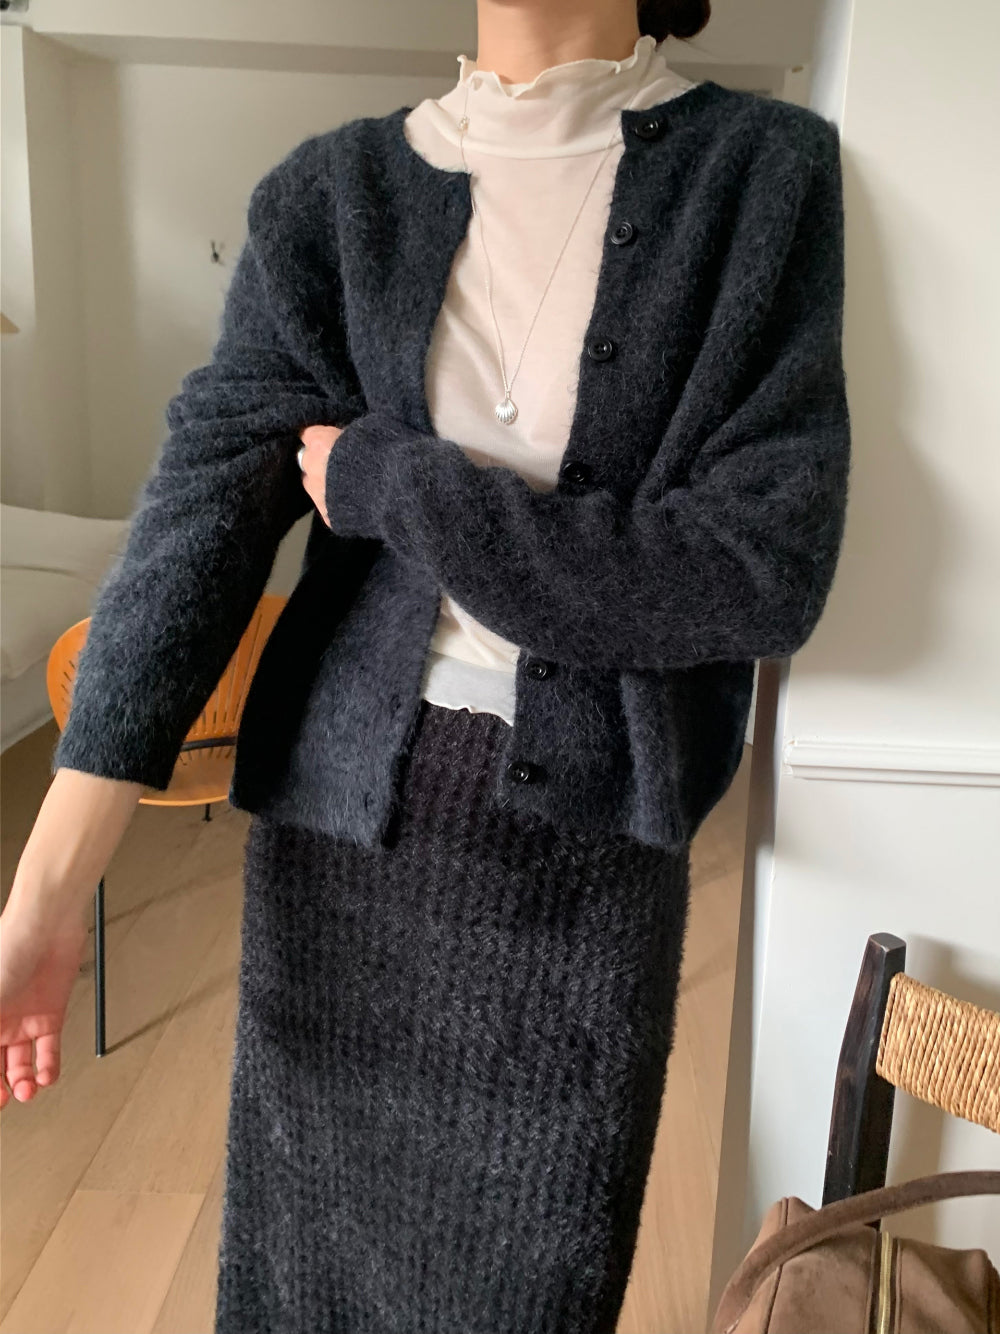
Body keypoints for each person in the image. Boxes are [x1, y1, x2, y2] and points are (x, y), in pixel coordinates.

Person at [1, 1, 851, 1330]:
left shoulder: (759, 177)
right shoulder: (331, 197)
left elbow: (755, 570)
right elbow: (196, 527)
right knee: (303, 1283)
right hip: (341, 836)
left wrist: (400, 484)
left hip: (584, 857)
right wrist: (49, 894)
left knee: (533, 1285)